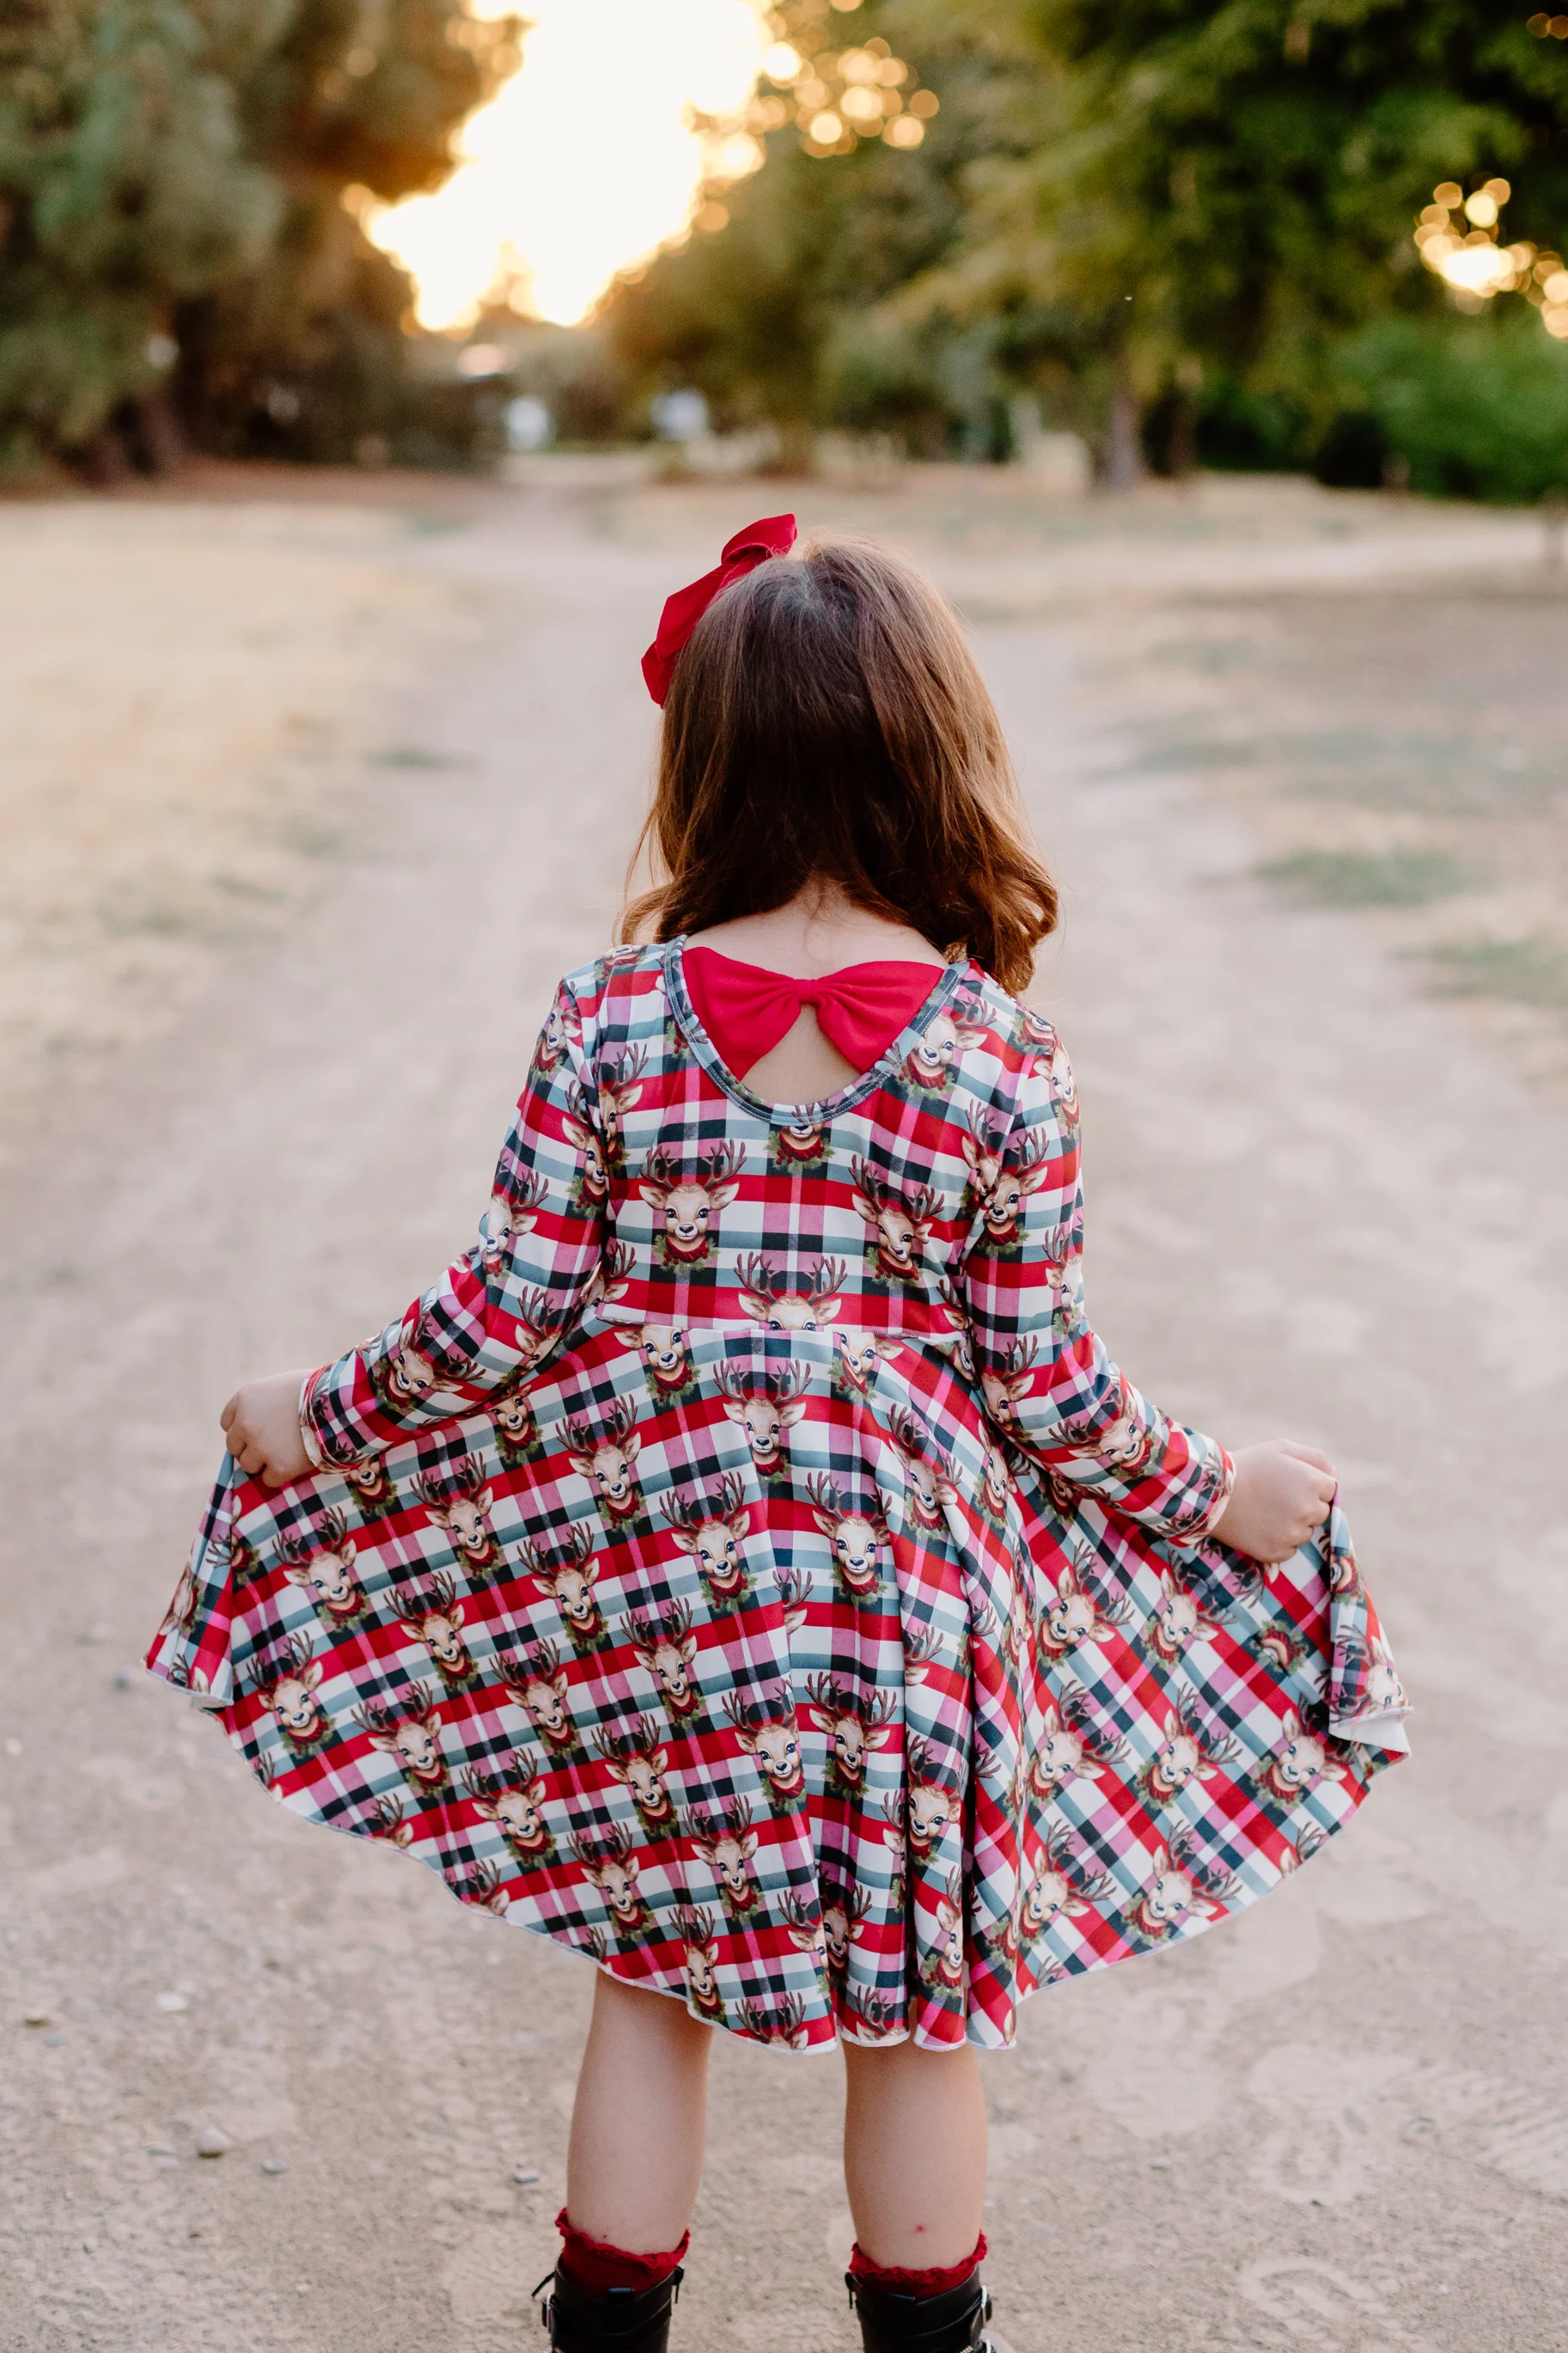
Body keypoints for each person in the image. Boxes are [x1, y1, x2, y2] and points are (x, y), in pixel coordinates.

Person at [151, 518, 1408, 2353]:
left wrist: (307, 1416)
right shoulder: (995, 1053)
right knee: (919, 2006)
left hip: (665, 1593)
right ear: (935, 753)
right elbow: (1048, 1390)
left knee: (651, 1982)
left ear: (708, 763)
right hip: (913, 1608)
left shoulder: (610, 1019)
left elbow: (496, 1325)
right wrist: (1231, 1493)